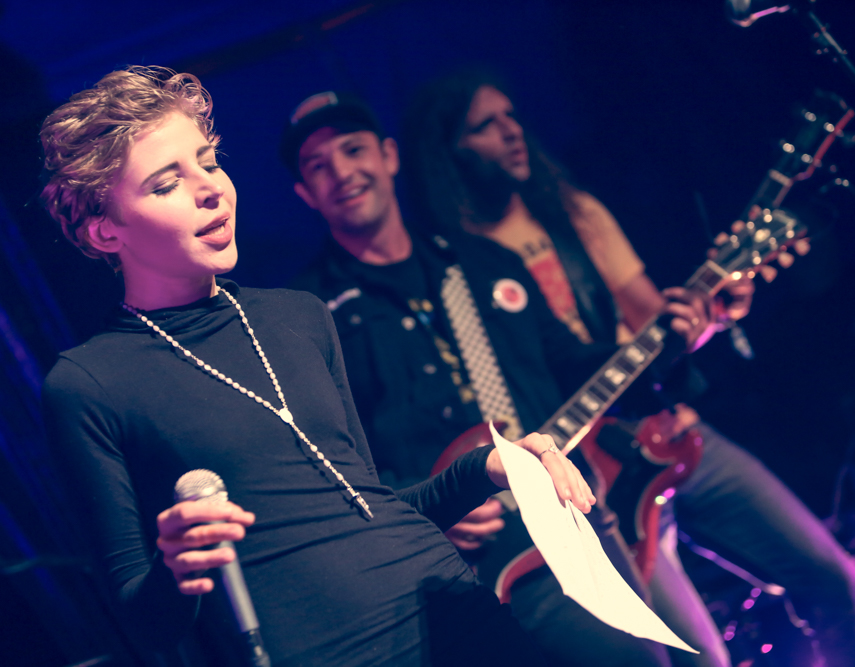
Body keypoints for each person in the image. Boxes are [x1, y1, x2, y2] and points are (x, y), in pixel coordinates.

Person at [37, 65, 599, 667]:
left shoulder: (298, 316)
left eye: (209, 162)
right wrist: (177, 569)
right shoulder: (90, 384)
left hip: (453, 610)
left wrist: (486, 467)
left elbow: (374, 509)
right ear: (104, 231)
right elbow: (141, 623)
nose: (209, 189)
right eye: (167, 183)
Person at [401, 68, 855, 667]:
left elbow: (652, 320)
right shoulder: (449, 265)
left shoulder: (572, 212)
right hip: (589, 474)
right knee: (695, 656)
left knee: (834, 577)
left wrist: (709, 316)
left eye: (511, 116)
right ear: (449, 151)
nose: (511, 132)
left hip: (662, 425)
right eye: (485, 125)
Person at [281, 90, 715, 667]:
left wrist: (667, 346)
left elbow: (572, 370)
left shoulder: (482, 264)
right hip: (455, 561)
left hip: (566, 511)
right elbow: (326, 459)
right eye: (318, 165)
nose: (342, 172)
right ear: (303, 193)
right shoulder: (308, 313)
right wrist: (425, 507)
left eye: (354, 150)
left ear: (389, 156)